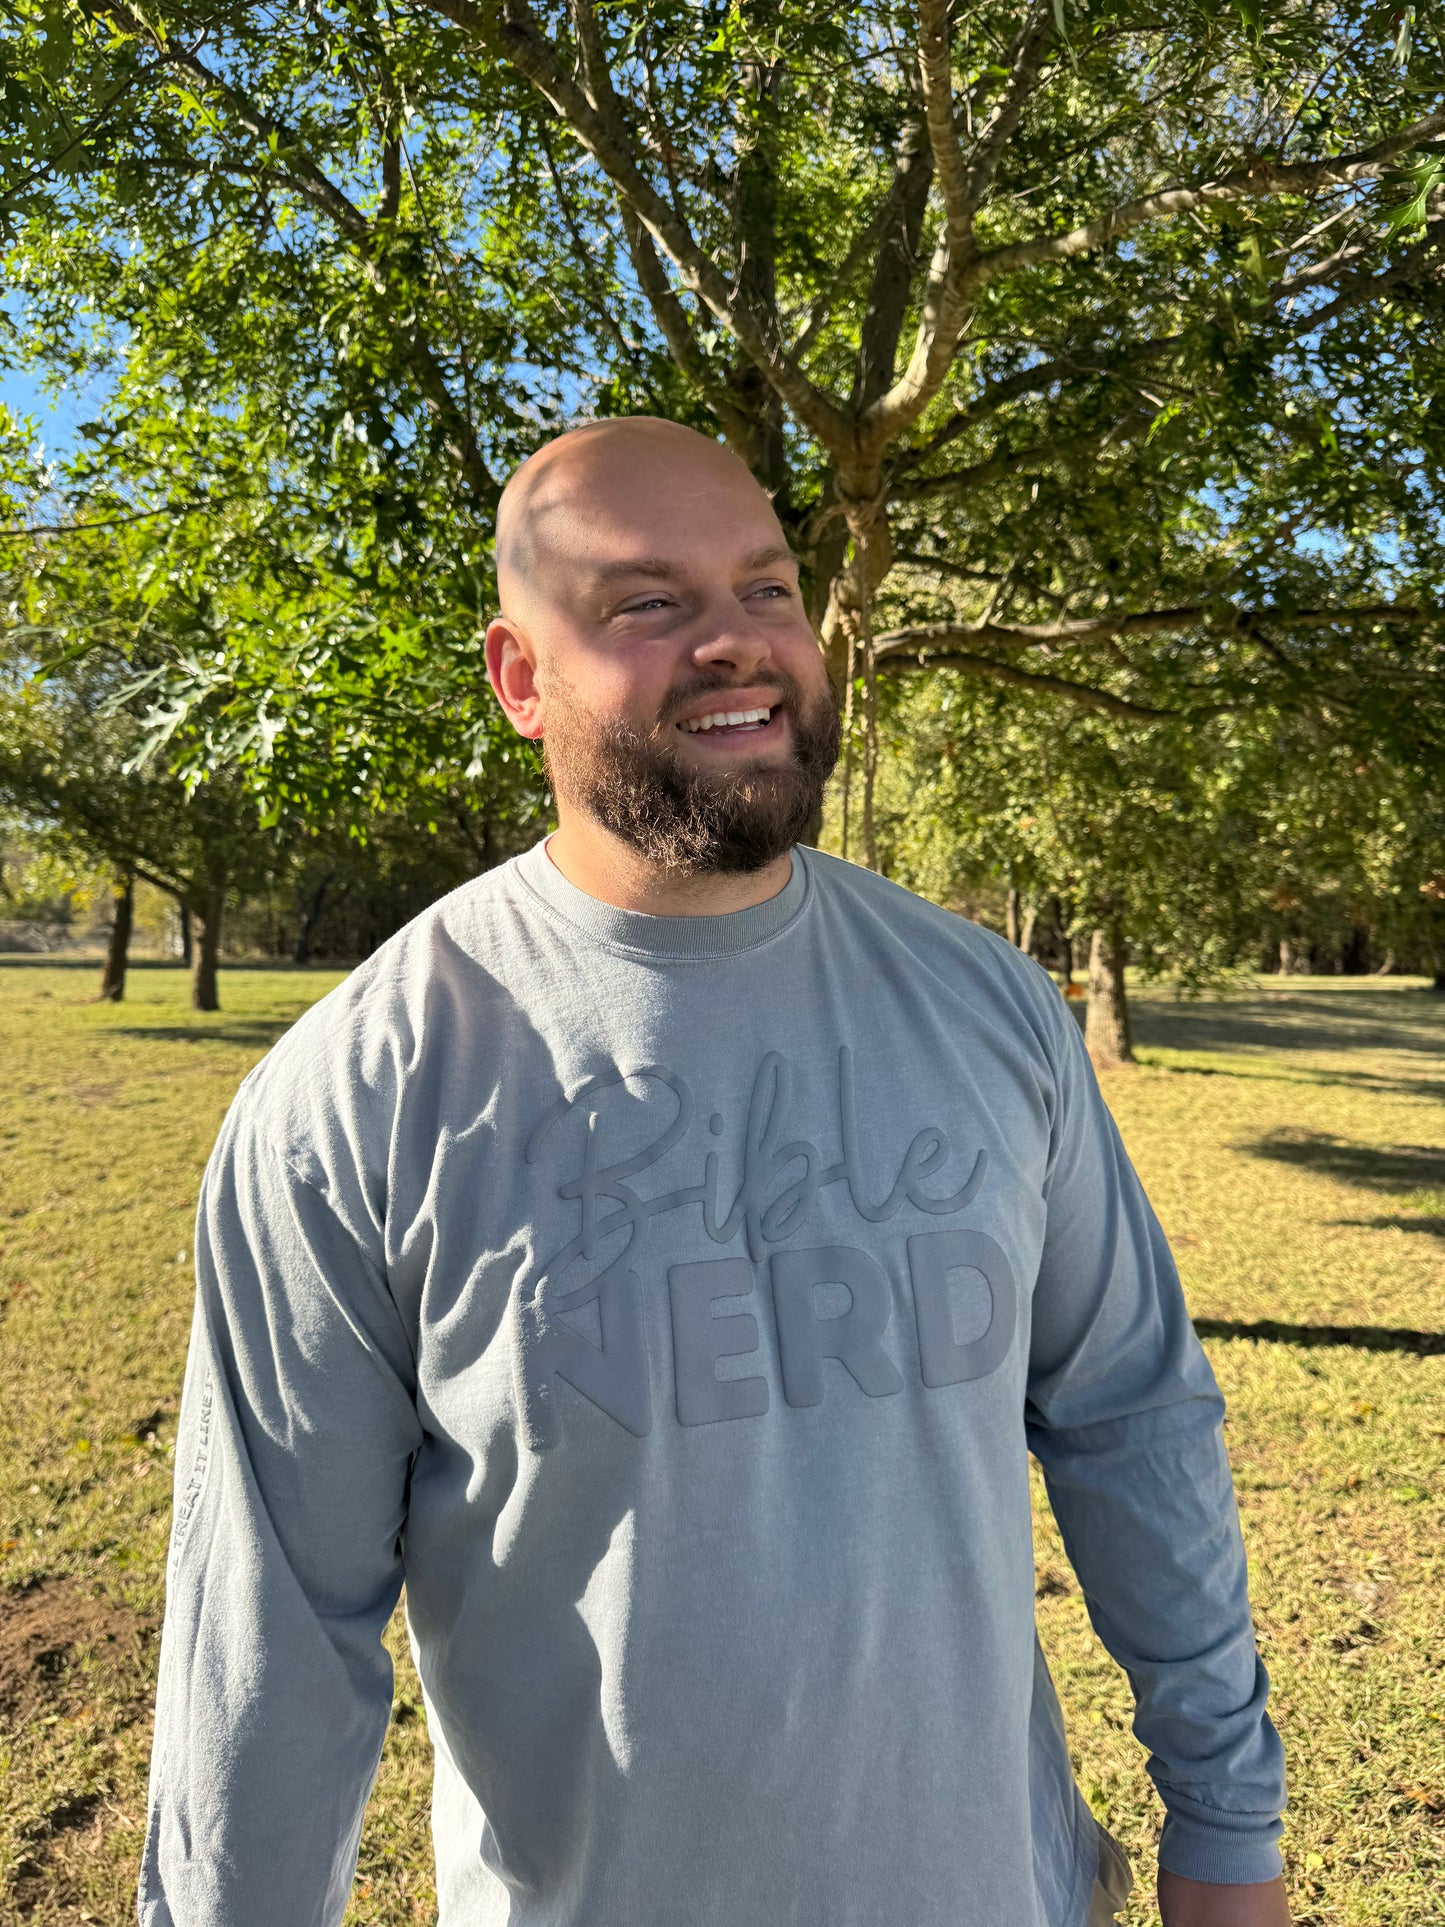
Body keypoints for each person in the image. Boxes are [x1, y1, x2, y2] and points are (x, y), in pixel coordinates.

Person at [140, 416, 1289, 1927]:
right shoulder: (360, 1094)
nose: (735, 645)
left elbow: (1130, 1419)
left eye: (764, 589)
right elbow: (275, 1638)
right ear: (519, 680)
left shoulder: (986, 1007)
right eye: (646, 603)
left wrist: (1226, 1821)